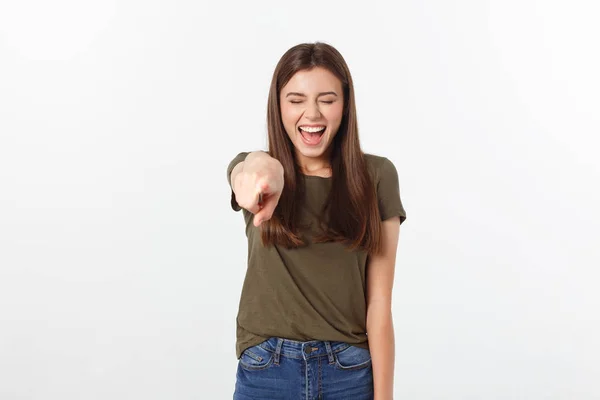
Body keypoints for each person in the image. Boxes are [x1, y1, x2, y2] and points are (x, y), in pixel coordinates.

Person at [227, 42, 407, 400]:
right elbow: (251, 171)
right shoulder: (257, 170)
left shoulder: (377, 176)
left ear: (345, 104)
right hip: (267, 371)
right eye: (296, 100)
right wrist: (266, 171)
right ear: (278, 106)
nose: (312, 114)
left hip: (349, 373)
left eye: (326, 99)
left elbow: (379, 305)